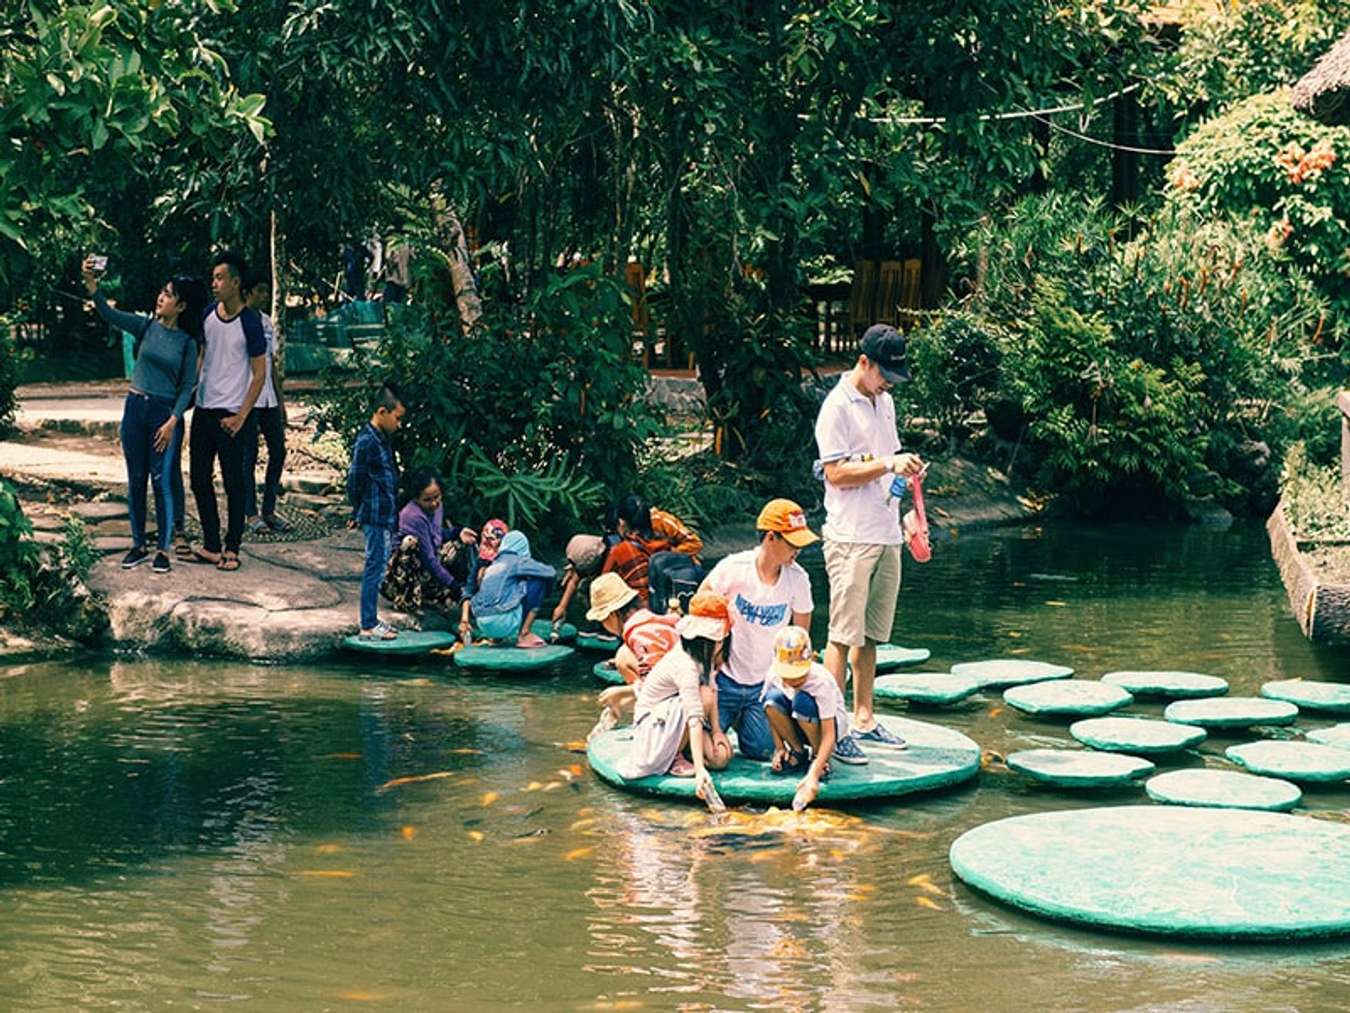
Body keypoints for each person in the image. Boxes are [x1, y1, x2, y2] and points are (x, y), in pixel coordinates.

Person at [814, 323, 925, 748]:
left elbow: (890, 458)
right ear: (864, 362)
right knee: (842, 636)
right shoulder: (837, 407)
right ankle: (831, 726)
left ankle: (863, 718)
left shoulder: (886, 403)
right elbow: (836, 473)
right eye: (884, 376)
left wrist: (907, 475)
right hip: (850, 536)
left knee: (872, 636)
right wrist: (886, 465)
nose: (886, 386)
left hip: (886, 533)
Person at [82, 257, 205, 574]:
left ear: (181, 306)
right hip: (135, 408)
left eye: (168, 294)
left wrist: (173, 420)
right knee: (136, 479)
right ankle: (138, 545)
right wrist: (91, 282)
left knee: (161, 480)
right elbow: (108, 313)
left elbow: (188, 385)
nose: (160, 297)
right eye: (162, 292)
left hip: (164, 415)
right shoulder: (145, 327)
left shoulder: (188, 343)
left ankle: (162, 550)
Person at [700, 498, 826, 764]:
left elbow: (802, 637)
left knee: (760, 750)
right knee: (708, 752)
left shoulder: (798, 579)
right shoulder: (734, 568)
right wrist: (718, 648)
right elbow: (700, 605)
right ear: (771, 538)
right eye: (793, 545)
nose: (797, 552)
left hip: (765, 684)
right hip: (724, 680)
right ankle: (728, 717)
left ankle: (746, 720)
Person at [188, 251, 267, 571]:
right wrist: (192, 389)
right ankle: (211, 543)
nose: (215, 283)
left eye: (221, 278)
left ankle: (232, 547)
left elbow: (259, 373)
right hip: (205, 410)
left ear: (236, 283)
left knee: (234, 483)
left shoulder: (250, 322)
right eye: (214, 278)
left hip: (233, 414)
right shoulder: (208, 314)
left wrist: (242, 416)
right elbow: (202, 355)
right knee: (198, 479)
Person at [619, 591, 734, 803]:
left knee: (721, 758)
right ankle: (674, 756)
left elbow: (712, 688)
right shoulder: (685, 664)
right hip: (654, 730)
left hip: (674, 721)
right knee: (704, 697)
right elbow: (694, 715)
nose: (722, 643)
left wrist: (717, 731)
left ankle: (684, 750)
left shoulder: (705, 658)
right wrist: (700, 771)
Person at [762, 626, 853, 810]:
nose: (793, 681)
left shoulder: (821, 681)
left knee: (802, 701)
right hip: (798, 720)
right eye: (788, 676)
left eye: (798, 675)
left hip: (826, 726)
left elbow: (829, 733)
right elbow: (769, 711)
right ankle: (797, 751)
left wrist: (814, 774)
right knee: (771, 699)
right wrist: (779, 748)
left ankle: (818, 757)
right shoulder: (773, 674)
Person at [347, 383, 405, 640]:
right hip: (374, 515)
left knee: (379, 565)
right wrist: (357, 510)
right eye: (397, 417)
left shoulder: (382, 440)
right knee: (374, 566)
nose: (399, 424)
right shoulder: (367, 442)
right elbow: (355, 480)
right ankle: (368, 623)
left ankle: (372, 619)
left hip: (385, 516)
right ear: (382, 411)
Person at [584, 571, 681, 723]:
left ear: (611, 615)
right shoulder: (647, 623)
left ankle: (655, 721)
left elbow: (660, 683)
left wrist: (622, 693)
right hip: (683, 685)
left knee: (622, 657)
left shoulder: (641, 633)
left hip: (681, 694)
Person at [381, 469, 478, 617]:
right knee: (410, 543)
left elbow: (437, 534)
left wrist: (458, 532)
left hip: (426, 565)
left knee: (460, 544)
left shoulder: (438, 506)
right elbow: (429, 559)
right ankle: (406, 600)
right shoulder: (413, 516)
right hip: (402, 575)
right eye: (427, 500)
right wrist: (454, 586)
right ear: (416, 498)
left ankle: (435, 593)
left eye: (437, 497)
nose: (434, 503)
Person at [239, 269, 291, 535]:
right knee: (249, 455)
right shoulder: (239, 322)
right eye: (259, 291)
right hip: (249, 399)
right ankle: (250, 512)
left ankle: (269, 508)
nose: (264, 295)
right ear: (247, 293)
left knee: (278, 451)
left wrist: (281, 403)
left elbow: (272, 365)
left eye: (265, 291)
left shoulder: (267, 322)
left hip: (269, 398)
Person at [600, 494, 703, 611]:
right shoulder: (664, 541)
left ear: (622, 523)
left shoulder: (622, 550)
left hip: (642, 609)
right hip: (672, 601)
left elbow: (603, 584)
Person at [467, 530, 555, 648]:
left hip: (482, 623)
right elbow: (550, 572)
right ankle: (525, 634)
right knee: (538, 581)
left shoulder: (493, 564)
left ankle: (495, 638)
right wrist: (548, 592)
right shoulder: (518, 561)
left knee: (507, 585)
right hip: (501, 622)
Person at [550, 533, 610, 637]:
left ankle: (608, 627)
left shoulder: (610, 554)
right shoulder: (587, 554)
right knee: (586, 588)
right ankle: (595, 623)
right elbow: (574, 581)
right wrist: (562, 606)